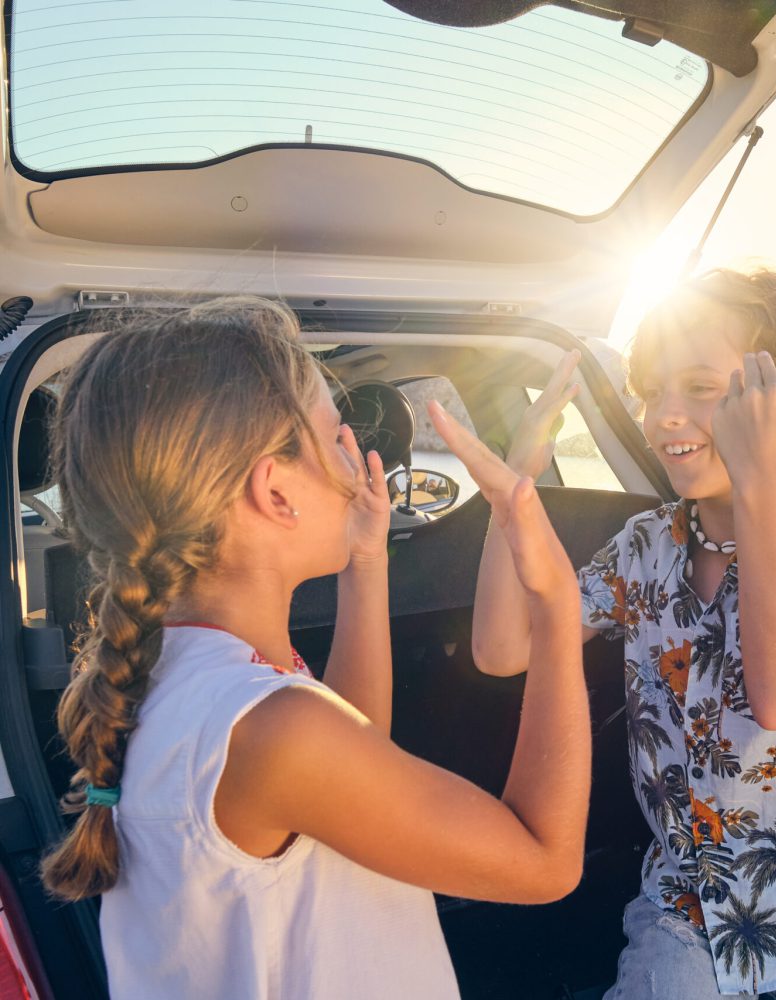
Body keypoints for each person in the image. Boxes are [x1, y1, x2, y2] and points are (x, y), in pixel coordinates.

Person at [40, 297, 591, 1000]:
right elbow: (546, 862)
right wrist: (554, 605)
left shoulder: (185, 675)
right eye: (336, 438)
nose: (358, 460)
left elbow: (355, 763)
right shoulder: (269, 729)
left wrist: (367, 563)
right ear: (274, 491)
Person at [472, 269, 776, 998]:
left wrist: (763, 481)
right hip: (689, 915)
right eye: (651, 391)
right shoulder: (644, 547)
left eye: (701, 389)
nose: (664, 415)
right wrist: (512, 486)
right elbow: (502, 648)